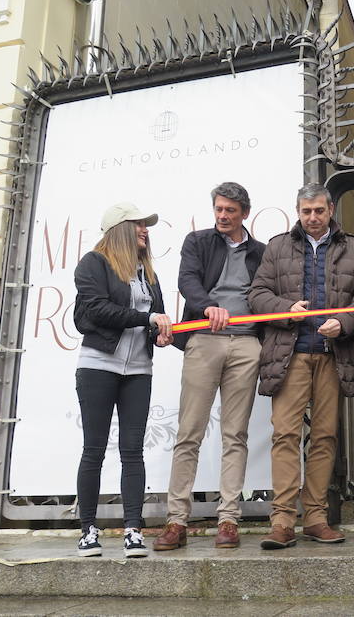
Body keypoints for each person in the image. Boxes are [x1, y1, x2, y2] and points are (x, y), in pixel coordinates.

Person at [249, 184, 354, 550]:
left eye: (319, 211)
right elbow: (257, 294)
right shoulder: (277, 246)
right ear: (298, 212)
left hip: (333, 355)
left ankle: (316, 518)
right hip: (291, 355)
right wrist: (286, 309)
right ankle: (283, 521)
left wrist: (345, 322)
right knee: (285, 435)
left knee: (324, 438)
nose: (313, 218)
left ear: (331, 209)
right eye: (306, 212)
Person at [154, 183, 267, 552]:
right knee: (189, 432)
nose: (222, 216)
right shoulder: (197, 242)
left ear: (244, 214)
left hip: (247, 343)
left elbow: (266, 294)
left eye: (230, 210)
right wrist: (207, 307)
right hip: (204, 340)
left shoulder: (262, 252)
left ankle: (229, 519)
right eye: (218, 209)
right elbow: (187, 281)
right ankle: (176, 521)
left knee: (236, 435)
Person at [73, 203, 172, 558]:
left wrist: (160, 333)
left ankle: (133, 529)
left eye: (147, 225)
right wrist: (147, 320)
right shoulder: (93, 263)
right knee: (94, 449)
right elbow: (98, 309)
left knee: (133, 451)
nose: (145, 230)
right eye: (138, 225)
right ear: (119, 230)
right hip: (98, 365)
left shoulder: (149, 274)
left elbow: (154, 317)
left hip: (138, 371)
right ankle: (87, 530)